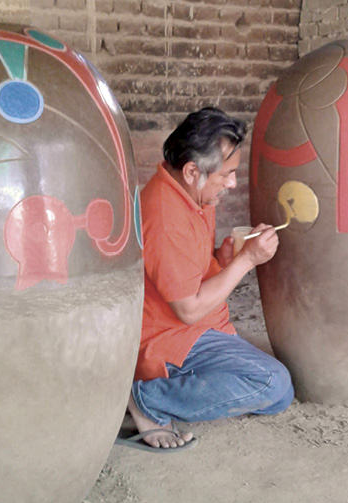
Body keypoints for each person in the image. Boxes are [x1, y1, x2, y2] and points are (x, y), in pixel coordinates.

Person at [123, 107, 294, 452]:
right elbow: (187, 309)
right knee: (273, 384)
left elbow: (191, 269)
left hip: (205, 325)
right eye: (227, 175)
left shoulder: (195, 195)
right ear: (191, 171)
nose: (232, 183)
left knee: (276, 395)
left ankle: (165, 392)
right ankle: (145, 397)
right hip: (171, 337)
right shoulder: (163, 213)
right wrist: (246, 261)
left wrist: (223, 259)